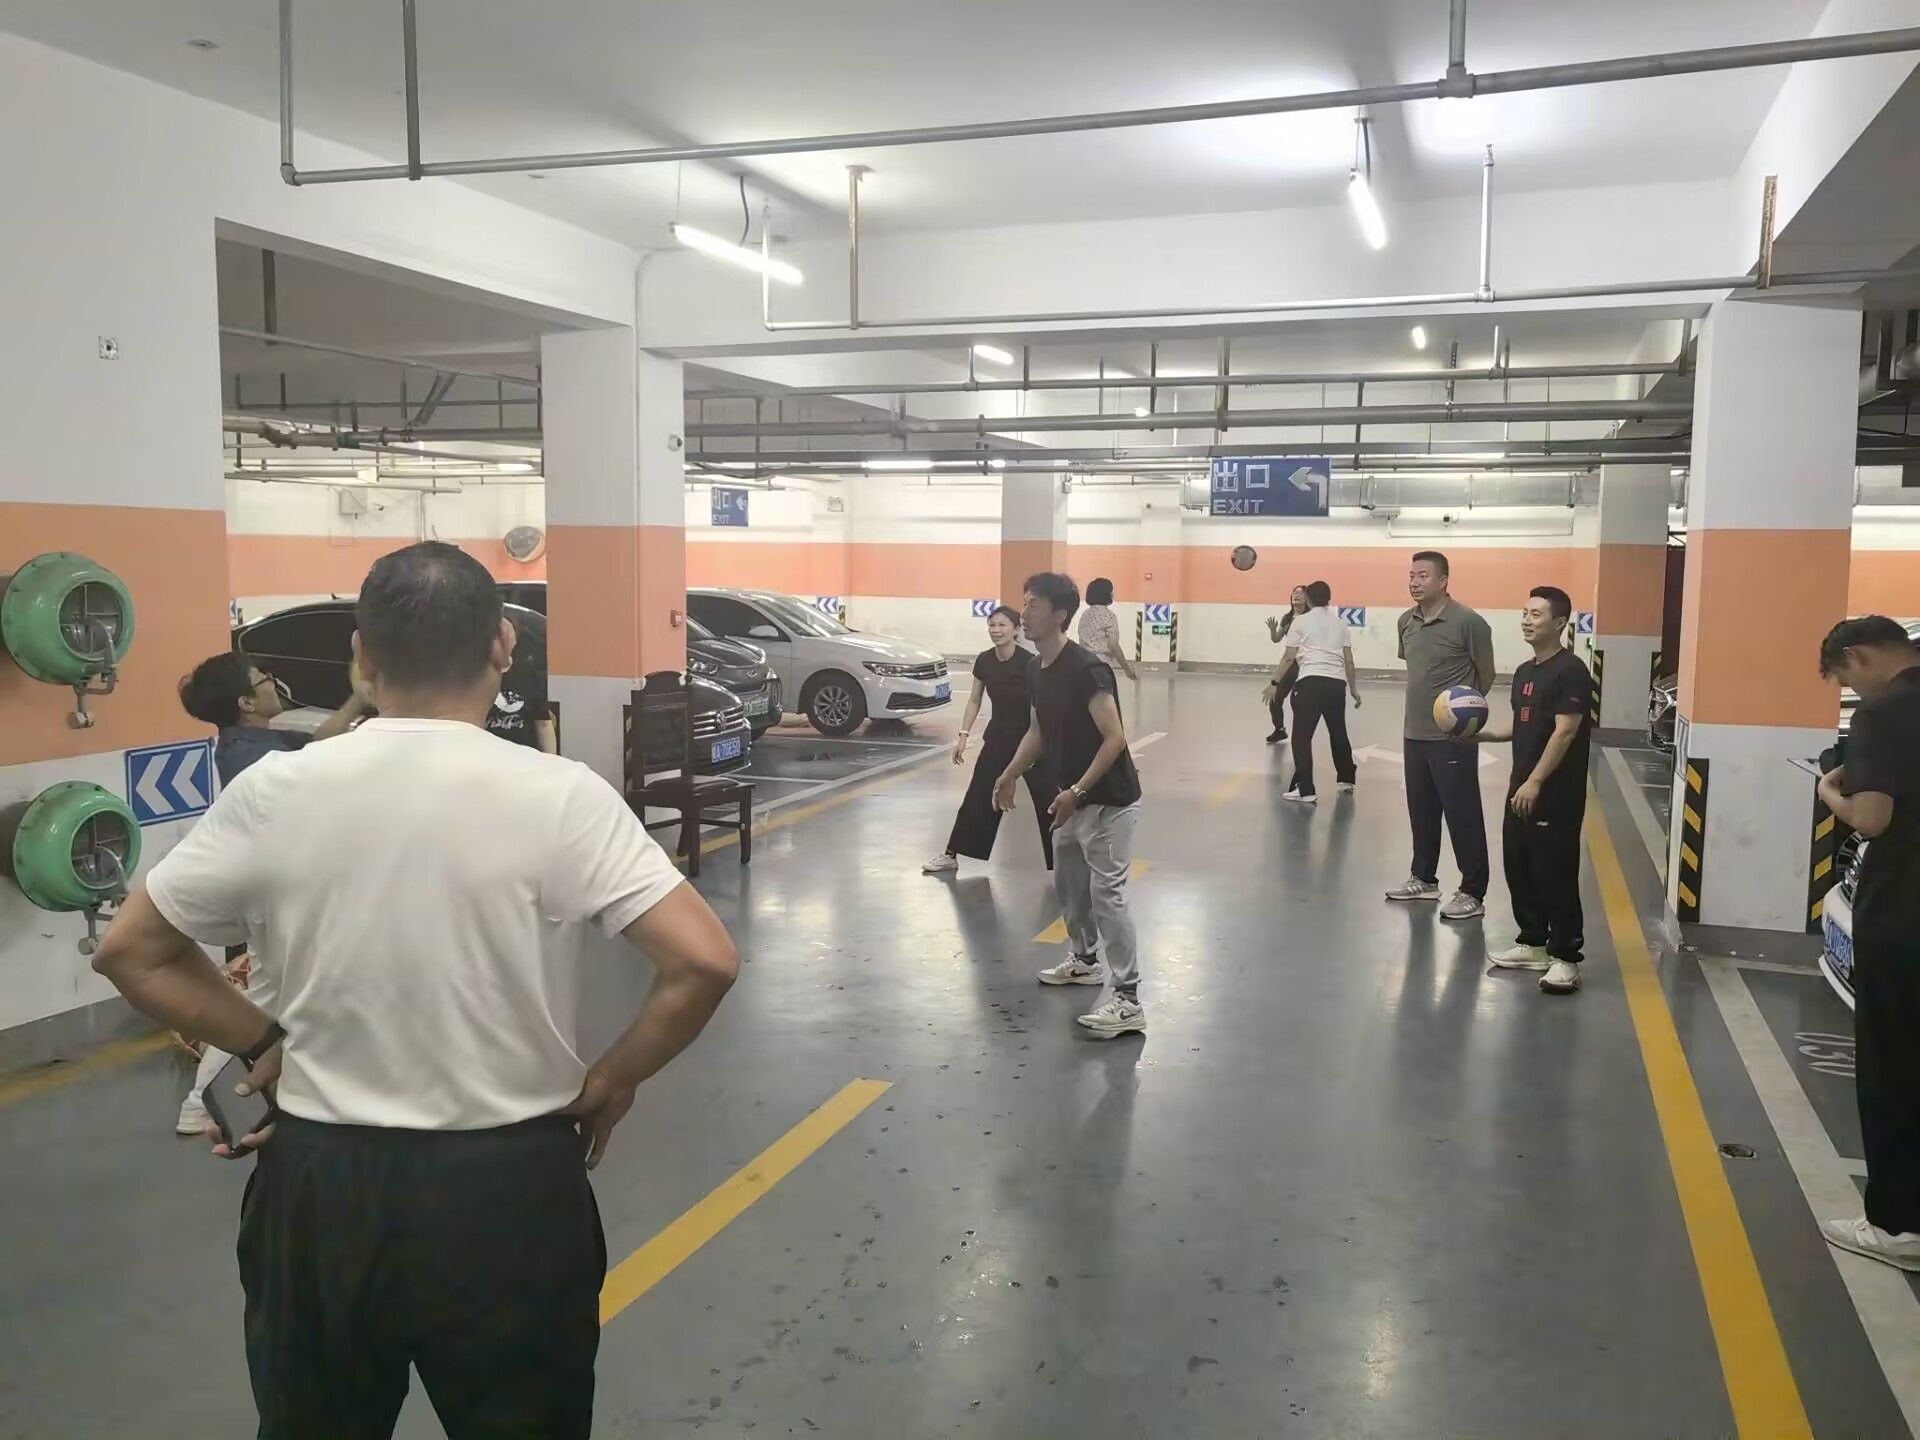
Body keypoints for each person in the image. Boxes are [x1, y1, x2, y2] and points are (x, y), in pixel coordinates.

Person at [91, 542, 739, 1438]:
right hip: (511, 1188)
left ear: (361, 656)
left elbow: (133, 951)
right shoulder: (563, 796)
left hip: (323, 1189)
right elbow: (704, 962)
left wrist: (263, 1042)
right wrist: (615, 1079)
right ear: (503, 646)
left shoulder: (277, 789)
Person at [170, 652, 371, 1137]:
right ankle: (200, 1102)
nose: (273, 683)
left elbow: (320, 744)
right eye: (263, 679)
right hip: (277, 899)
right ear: (246, 702)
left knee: (270, 999)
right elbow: (317, 761)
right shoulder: (248, 756)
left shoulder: (256, 741)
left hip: (282, 895)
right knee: (260, 1002)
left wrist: (356, 702)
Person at [995, 573, 1146, 1039]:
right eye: (1024, 603)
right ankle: (1084, 961)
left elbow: (1115, 738)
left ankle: (1128, 999)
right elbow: (1038, 730)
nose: (1024, 613)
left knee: (1107, 895)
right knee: (1070, 888)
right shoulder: (1036, 669)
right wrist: (1009, 772)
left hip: (1108, 802)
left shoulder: (1086, 670)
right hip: (1070, 800)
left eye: (1033, 604)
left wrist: (1077, 791)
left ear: (1060, 614)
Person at [1814, 615, 1920, 1271]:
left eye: (1845, 680)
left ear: (1856, 656)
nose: (1853, 693)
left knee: (1893, 1068)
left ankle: (1897, 1227)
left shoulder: (1883, 715)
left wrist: (1831, 793)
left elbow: (1874, 818)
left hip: (1905, 914)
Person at [1474, 587, 1592, 996]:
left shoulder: (1571, 671)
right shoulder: (1526, 671)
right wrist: (1485, 734)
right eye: (1524, 613)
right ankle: (1534, 943)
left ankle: (1565, 958)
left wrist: (1537, 781)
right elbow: (1524, 722)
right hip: (1521, 785)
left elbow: (1565, 731)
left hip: (1554, 792)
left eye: (1536, 614)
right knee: (1519, 865)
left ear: (1559, 623)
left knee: (1554, 871)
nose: (1527, 620)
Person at [1386, 550, 1495, 921]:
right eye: (1411, 575)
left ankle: (1473, 891)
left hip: (1452, 738)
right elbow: (1418, 670)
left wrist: (1464, 718)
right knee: (1422, 810)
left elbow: (1486, 673)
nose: (1415, 582)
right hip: (1413, 732)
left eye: (1423, 575)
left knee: (1463, 814)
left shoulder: (1469, 622)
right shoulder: (1406, 621)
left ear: (1444, 580)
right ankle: (1424, 878)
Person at [924, 605, 1057, 875]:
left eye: (1002, 625)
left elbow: (1042, 707)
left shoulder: (1030, 664)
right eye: (992, 625)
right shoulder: (984, 661)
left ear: (1016, 630)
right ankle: (951, 854)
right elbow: (974, 700)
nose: (996, 630)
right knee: (979, 796)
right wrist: (963, 735)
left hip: (1030, 741)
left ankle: (1065, 859)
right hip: (998, 738)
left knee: (1049, 799)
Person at [1268, 580, 1361, 804]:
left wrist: (1274, 682)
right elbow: (1349, 660)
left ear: (1308, 599)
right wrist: (1353, 689)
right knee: (1338, 732)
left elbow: (1289, 657)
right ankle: (1347, 778)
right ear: (1328, 599)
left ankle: (1305, 789)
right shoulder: (1341, 624)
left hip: (1309, 683)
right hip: (1336, 685)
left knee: (1301, 737)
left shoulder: (1300, 622)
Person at [1262, 587, 1311, 744]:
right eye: (1294, 592)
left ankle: (1302, 733)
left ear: (1307, 598)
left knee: (1299, 701)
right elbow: (1276, 639)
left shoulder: (1310, 618)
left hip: (1306, 664)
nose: (1296, 595)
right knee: (1275, 698)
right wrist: (1272, 630)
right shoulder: (1288, 618)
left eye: (1300, 592)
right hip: (1290, 664)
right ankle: (1279, 730)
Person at [1077, 577, 1138, 682]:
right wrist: (1127, 669)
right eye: (1111, 592)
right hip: (1100, 667)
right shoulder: (1109, 616)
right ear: (1106, 595)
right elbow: (1113, 645)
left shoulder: (1084, 615)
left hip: (1083, 666)